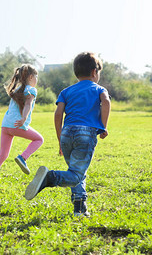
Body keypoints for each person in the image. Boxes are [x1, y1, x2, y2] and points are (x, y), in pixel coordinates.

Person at [25, 52, 111, 217]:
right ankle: (49, 178)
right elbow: (106, 102)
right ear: (94, 72)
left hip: (66, 133)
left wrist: (60, 139)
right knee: (76, 174)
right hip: (86, 133)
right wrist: (103, 126)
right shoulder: (99, 89)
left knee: (76, 171)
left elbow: (58, 114)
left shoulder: (66, 91)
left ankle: (80, 208)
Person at [0, 64, 43, 187]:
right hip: (17, 124)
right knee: (39, 139)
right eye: (36, 77)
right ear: (31, 77)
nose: (37, 80)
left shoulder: (17, 90)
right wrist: (24, 118)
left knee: (2, 155)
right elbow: (28, 104)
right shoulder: (31, 90)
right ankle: (23, 158)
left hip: (6, 126)